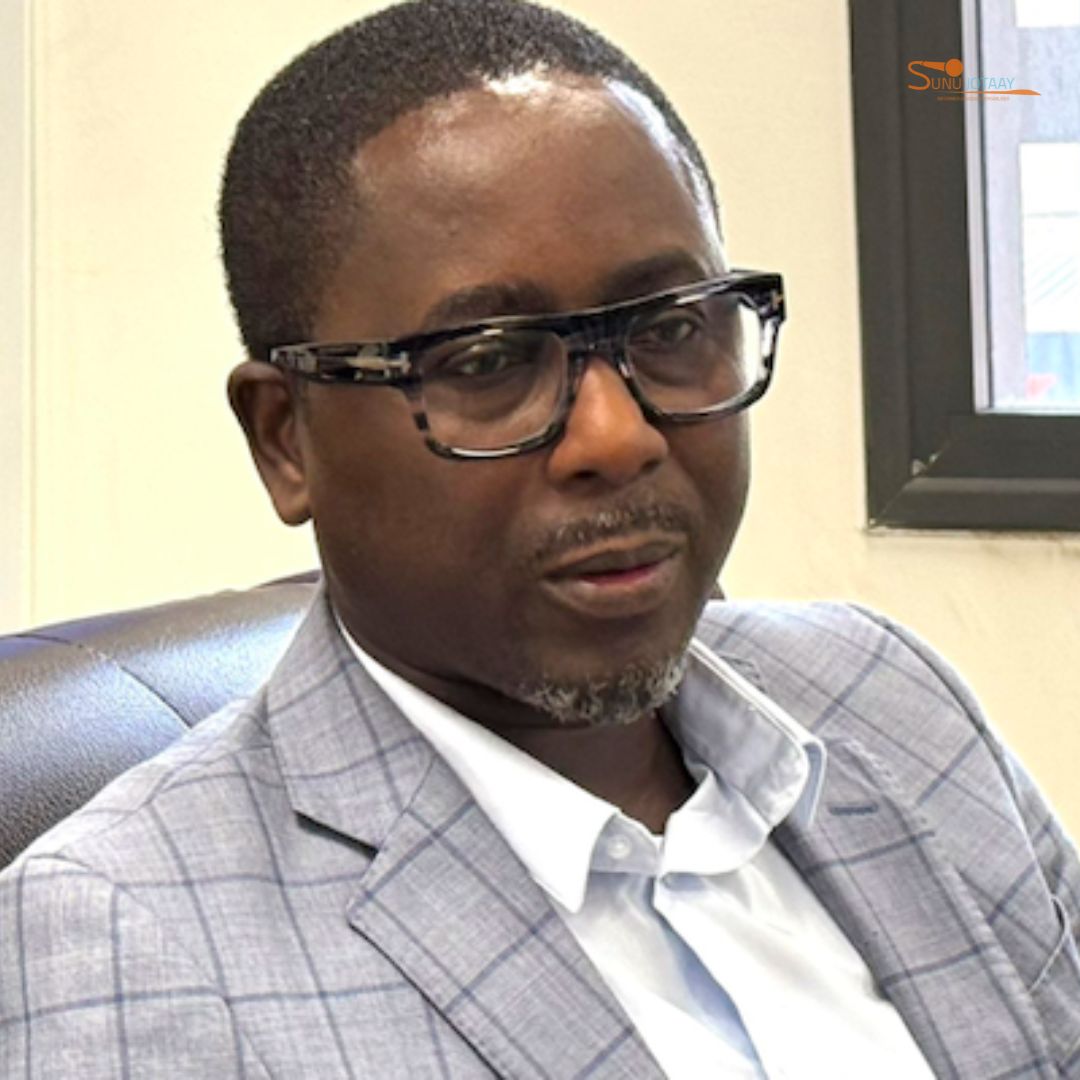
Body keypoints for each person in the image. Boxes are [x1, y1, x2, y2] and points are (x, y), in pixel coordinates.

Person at [1, 0, 1078, 1075]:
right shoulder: (121, 949)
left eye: (670, 328)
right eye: (485, 362)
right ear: (287, 439)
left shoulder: (883, 695)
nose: (617, 436)